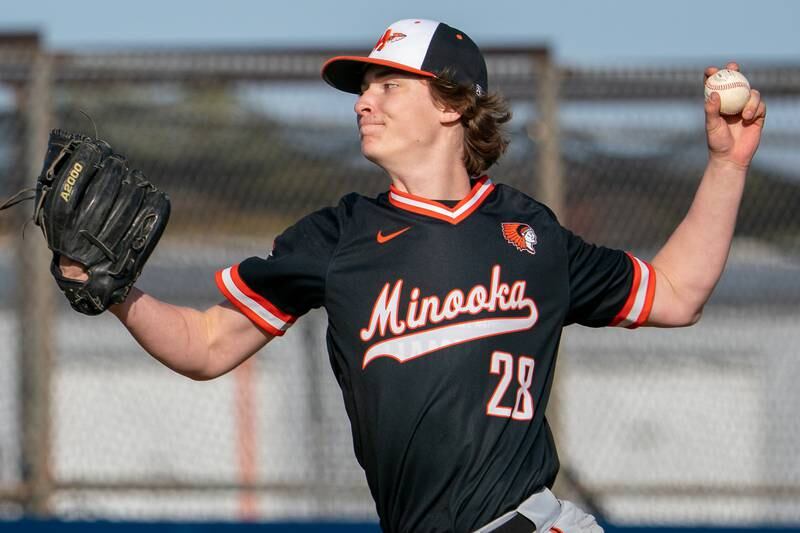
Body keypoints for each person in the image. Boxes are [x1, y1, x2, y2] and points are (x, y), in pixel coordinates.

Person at [59, 18, 766, 533]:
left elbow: (676, 292)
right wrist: (119, 293)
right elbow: (208, 343)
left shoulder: (530, 235)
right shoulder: (338, 237)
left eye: (388, 84)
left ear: (454, 104)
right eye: (364, 87)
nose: (365, 100)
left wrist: (728, 165)